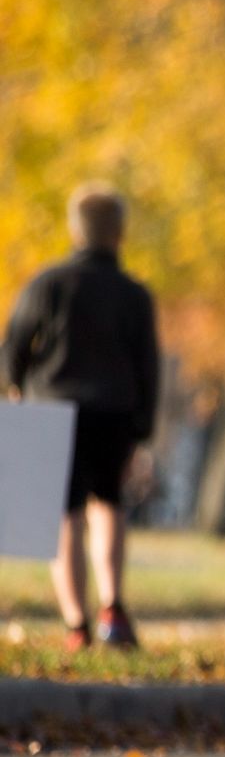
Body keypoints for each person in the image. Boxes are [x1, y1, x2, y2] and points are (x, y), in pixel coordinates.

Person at [1, 185, 160, 652]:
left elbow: (13, 348)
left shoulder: (47, 283)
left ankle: (76, 624)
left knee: (65, 515)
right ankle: (112, 607)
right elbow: (146, 365)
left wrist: (16, 387)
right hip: (113, 412)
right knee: (108, 504)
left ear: (76, 229)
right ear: (118, 233)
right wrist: (142, 426)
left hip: (51, 407)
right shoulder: (133, 295)